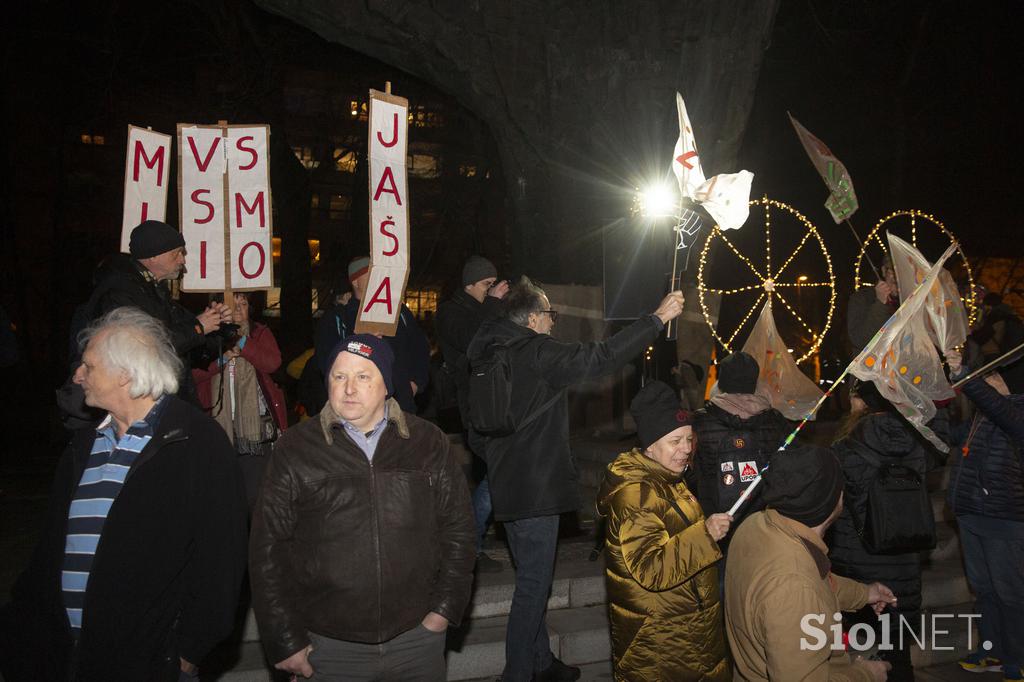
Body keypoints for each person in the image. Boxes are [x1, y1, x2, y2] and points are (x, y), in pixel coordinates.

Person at [0, 307, 248, 682]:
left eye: (89, 366)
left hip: (149, 663)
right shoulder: (83, 445)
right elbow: (50, 550)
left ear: (125, 374)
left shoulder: (195, 442)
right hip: (68, 658)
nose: (77, 375)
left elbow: (220, 564)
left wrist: (185, 654)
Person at [467, 276, 685, 682]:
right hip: (535, 489)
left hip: (508, 484)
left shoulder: (490, 354)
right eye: (550, 314)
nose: (553, 322)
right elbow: (599, 357)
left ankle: (540, 662)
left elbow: (476, 431)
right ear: (533, 318)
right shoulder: (536, 352)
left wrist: (503, 461)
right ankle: (517, 674)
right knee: (533, 586)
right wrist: (656, 320)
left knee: (532, 577)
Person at [250, 334, 476, 681]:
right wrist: (284, 638)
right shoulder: (296, 449)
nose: (349, 388)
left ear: (387, 385)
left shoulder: (427, 442)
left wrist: (443, 611)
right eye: (339, 377)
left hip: (416, 640)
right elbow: (268, 551)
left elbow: (458, 530)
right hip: (330, 646)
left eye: (363, 376)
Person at [597, 380, 732, 681]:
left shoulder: (668, 478)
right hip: (660, 642)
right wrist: (705, 535)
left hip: (684, 632)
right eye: (675, 441)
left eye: (689, 439)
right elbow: (651, 568)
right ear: (650, 446)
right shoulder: (637, 495)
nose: (686, 449)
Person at [725, 444, 896, 682]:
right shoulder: (794, 586)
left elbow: (817, 582)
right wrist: (865, 674)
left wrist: (864, 593)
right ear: (827, 500)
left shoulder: (756, 525)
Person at [829, 379, 935, 682]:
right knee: (898, 654)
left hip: (858, 566)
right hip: (905, 565)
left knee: (858, 659)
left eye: (853, 396)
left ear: (862, 403)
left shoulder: (844, 450)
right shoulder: (918, 444)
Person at [69, 220, 233, 403]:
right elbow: (145, 346)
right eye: (176, 253)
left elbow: (187, 343)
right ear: (153, 256)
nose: (182, 260)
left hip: (156, 398)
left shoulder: (154, 291)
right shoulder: (119, 293)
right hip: (134, 401)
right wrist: (199, 327)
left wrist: (218, 324)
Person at [946, 350, 1024, 681]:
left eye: (994, 376)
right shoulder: (984, 415)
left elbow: (998, 408)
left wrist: (964, 373)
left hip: (1003, 519)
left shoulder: (1015, 414)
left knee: (1010, 592)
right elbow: (950, 437)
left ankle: (1017, 658)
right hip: (971, 515)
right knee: (984, 589)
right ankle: (990, 649)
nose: (988, 380)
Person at [435, 255, 509, 572]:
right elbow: (472, 342)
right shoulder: (451, 312)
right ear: (469, 285)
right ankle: (468, 546)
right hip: (474, 408)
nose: (491, 291)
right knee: (499, 474)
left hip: (495, 405)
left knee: (500, 474)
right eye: (486, 285)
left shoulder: (484, 310)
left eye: (494, 285)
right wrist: (493, 305)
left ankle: (469, 545)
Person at [193, 292, 288, 511]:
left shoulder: (259, 333)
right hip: (218, 431)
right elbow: (193, 375)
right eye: (230, 304)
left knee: (255, 500)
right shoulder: (204, 336)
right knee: (222, 500)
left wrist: (243, 342)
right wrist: (222, 359)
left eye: (242, 304)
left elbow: (272, 362)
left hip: (255, 435)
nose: (237, 310)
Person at [693, 351, 790, 552]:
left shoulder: (700, 420)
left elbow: (692, 471)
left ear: (722, 381)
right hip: (764, 524)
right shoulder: (776, 420)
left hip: (715, 524)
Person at [315, 256, 431, 413]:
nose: (379, 279)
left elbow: (420, 348)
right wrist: (358, 340)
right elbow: (327, 361)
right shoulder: (338, 318)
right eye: (372, 274)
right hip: (355, 411)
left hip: (401, 407)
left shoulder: (400, 312)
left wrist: (414, 384)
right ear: (355, 281)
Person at [847, 255, 898, 352]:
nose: (896, 277)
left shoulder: (912, 300)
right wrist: (880, 303)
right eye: (892, 270)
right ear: (883, 271)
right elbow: (859, 339)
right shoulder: (862, 299)